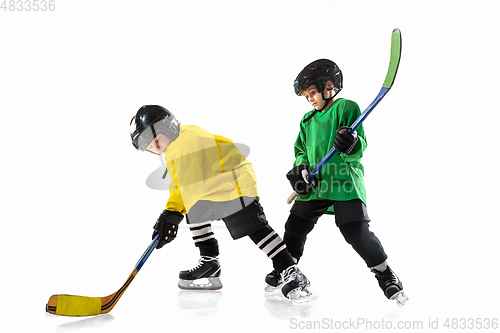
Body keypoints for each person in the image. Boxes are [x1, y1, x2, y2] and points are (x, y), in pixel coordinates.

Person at [129, 105, 316, 302]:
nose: (156, 147)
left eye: (156, 140)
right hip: (213, 185)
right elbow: (180, 183)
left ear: (168, 127)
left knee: (254, 228)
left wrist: (171, 213)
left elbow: (188, 185)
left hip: (234, 184)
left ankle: (291, 271)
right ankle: (209, 263)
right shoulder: (176, 146)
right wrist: (171, 213)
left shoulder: (187, 143)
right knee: (194, 211)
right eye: (150, 147)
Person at [264, 59, 408, 304]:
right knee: (295, 226)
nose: (310, 99)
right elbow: (300, 149)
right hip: (316, 185)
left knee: (355, 231)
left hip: (343, 182)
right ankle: (287, 268)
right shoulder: (307, 120)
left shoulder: (345, 107)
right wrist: (301, 167)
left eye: (312, 93)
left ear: (328, 86)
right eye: (306, 96)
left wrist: (350, 144)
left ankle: (384, 272)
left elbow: (359, 144)